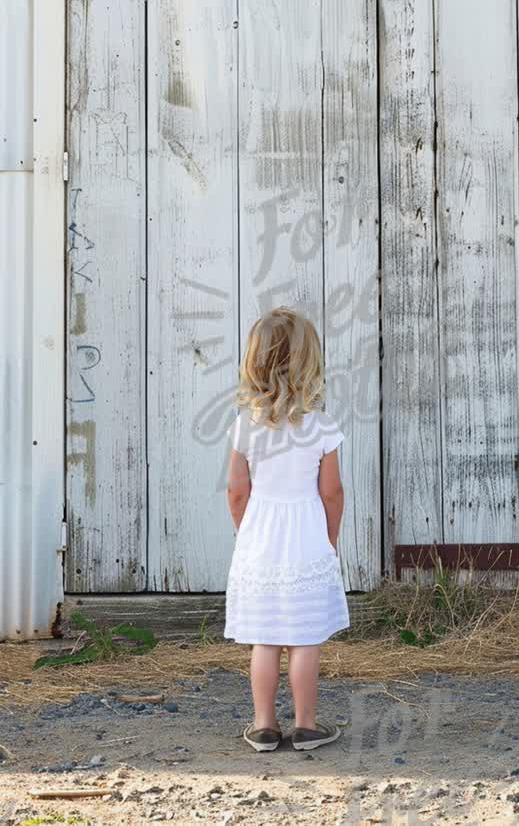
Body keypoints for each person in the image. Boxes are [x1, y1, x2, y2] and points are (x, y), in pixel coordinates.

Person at [224, 306, 350, 752]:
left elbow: (236, 492)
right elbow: (332, 492)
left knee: (265, 639)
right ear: (308, 363)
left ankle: (263, 725)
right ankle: (307, 726)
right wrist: (329, 539)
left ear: (255, 363)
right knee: (304, 638)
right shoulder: (322, 425)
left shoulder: (245, 427)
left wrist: (247, 534)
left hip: (260, 539)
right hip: (306, 540)